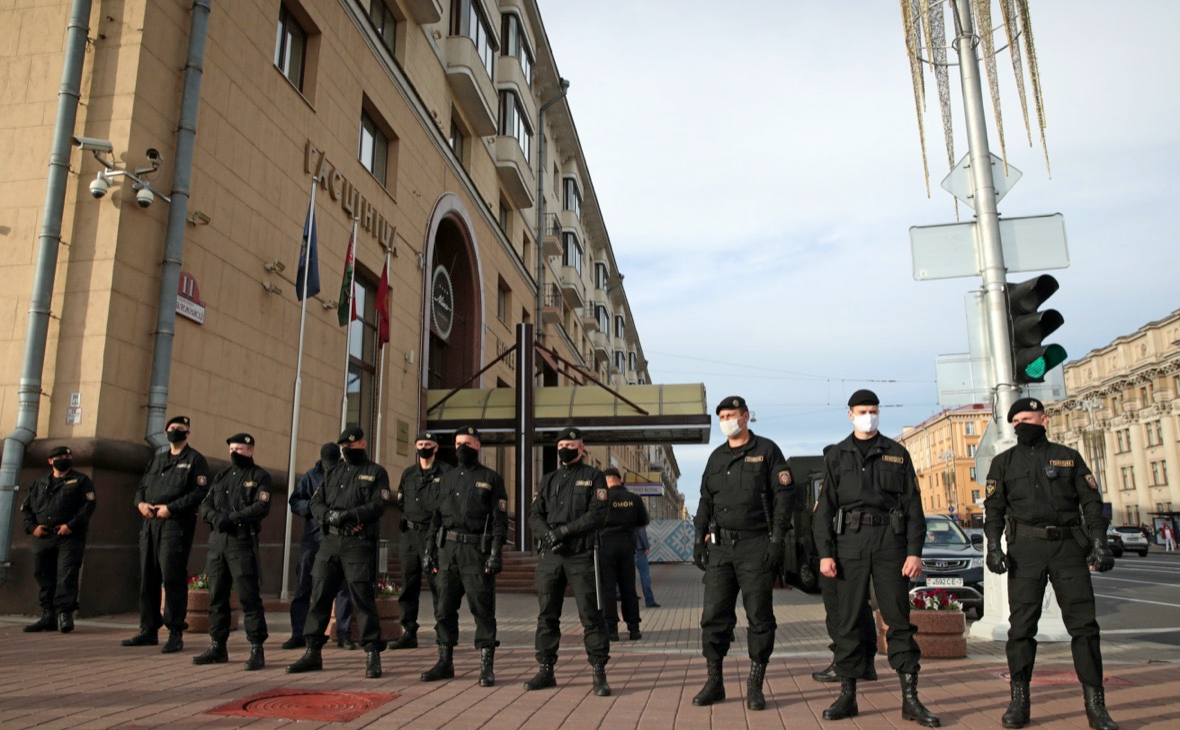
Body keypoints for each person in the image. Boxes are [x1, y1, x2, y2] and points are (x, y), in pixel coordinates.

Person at [984, 397, 1118, 730]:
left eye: (1026, 418)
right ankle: (1019, 701)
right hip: (1025, 549)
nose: (1020, 426)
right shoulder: (1003, 463)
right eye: (1015, 422)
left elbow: (1091, 503)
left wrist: (1099, 543)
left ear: (1044, 419)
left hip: (1068, 548)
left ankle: (1096, 705)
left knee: (1084, 627)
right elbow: (994, 510)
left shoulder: (1068, 458)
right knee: (1021, 628)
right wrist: (993, 547)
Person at [813, 389, 939, 727]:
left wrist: (914, 551)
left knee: (898, 621)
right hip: (849, 544)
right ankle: (847, 695)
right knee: (849, 621)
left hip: (890, 544)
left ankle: (910, 700)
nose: (869, 415)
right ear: (850, 414)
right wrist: (825, 554)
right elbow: (825, 509)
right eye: (862, 410)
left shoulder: (897, 453)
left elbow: (914, 507)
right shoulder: (837, 455)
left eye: (873, 410)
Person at [691, 396, 792, 711]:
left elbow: (783, 498)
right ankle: (715, 682)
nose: (725, 421)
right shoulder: (716, 457)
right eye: (721, 416)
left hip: (756, 545)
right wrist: (698, 537)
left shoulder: (766, 451)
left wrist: (777, 540)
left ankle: (755, 684)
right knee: (713, 616)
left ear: (746, 417)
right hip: (721, 547)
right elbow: (705, 500)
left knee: (760, 617)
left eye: (731, 415)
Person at [286, 427, 390, 679]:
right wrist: (332, 516)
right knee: (319, 595)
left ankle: (372, 654)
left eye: (351, 446)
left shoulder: (375, 472)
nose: (346, 450)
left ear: (362, 444)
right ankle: (312, 651)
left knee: (362, 598)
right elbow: (316, 502)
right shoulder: (333, 473)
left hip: (358, 543)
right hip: (330, 541)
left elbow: (379, 503)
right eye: (343, 446)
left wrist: (351, 515)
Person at [524, 425, 612, 696]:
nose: (565, 449)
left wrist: (564, 531)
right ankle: (546, 670)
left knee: (591, 615)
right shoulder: (548, 479)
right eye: (561, 445)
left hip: (582, 553)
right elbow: (534, 514)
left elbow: (598, 514)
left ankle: (599, 673)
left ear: (581, 448)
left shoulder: (594, 477)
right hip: (552, 555)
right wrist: (548, 536)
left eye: (570, 445)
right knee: (547, 614)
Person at [419, 425, 507, 686]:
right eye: (457, 444)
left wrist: (495, 553)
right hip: (447, 551)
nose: (461, 448)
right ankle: (445, 662)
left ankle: (486, 667)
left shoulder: (491, 479)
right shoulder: (446, 477)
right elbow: (435, 519)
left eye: (467, 444)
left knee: (482, 610)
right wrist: (429, 552)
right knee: (444, 608)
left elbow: (500, 522)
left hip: (475, 552)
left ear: (477, 446)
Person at [123, 415, 210, 653]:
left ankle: (175, 632)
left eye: (180, 429)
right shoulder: (157, 460)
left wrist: (171, 508)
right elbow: (141, 488)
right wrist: (140, 504)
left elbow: (199, 492)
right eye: (171, 428)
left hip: (175, 525)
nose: (175, 431)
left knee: (172, 577)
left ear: (188, 433)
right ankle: (148, 630)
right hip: (150, 524)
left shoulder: (195, 460)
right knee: (148, 577)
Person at [193, 433, 271, 670]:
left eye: (239, 448)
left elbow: (261, 505)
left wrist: (233, 518)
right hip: (218, 542)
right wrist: (216, 517)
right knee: (217, 595)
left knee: (248, 596)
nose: (234, 452)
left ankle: (256, 647)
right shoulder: (222, 476)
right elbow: (205, 504)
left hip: (241, 541)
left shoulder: (259, 476)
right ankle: (218, 645)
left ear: (251, 450)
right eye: (232, 448)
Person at [812, 446, 878, 684]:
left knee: (839, 613)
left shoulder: (833, 487)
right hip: (855, 554)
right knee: (862, 609)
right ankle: (867, 663)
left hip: (838, 556)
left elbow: (824, 522)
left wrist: (824, 554)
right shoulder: (860, 483)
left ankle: (843, 663)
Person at [282, 443, 357, 651]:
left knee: (343, 588)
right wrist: (315, 509)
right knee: (304, 585)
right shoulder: (310, 476)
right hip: (313, 539)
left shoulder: (347, 476)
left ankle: (344, 634)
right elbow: (295, 501)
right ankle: (299, 633)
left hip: (338, 538)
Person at [21, 446, 96, 634]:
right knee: (43, 575)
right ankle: (48, 616)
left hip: (69, 536)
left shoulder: (80, 481)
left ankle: (65, 614)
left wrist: (70, 525)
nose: (64, 459)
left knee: (66, 574)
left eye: (67, 456)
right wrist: (33, 528)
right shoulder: (39, 483)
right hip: (43, 537)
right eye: (59, 457)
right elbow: (27, 509)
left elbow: (88, 506)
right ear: (50, 461)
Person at [390, 431, 450, 650]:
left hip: (432, 535)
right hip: (409, 535)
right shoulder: (408, 474)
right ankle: (409, 631)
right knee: (409, 585)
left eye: (428, 444)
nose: (424, 447)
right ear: (416, 447)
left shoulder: (446, 473)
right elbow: (402, 501)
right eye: (420, 444)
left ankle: (443, 630)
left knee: (438, 585)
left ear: (436, 448)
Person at [599, 468, 649, 641]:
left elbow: (593, 519)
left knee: (608, 588)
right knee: (628, 587)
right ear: (619, 480)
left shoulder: (602, 497)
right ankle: (634, 628)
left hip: (606, 546)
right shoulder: (634, 498)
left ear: (606, 481)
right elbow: (644, 520)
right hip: (628, 545)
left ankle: (611, 630)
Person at [634, 526, 659, 608]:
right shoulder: (636, 515)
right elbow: (642, 532)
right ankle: (649, 600)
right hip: (639, 550)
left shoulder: (622, 516)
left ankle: (630, 602)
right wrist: (646, 546)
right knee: (645, 576)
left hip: (628, 550)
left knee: (628, 578)